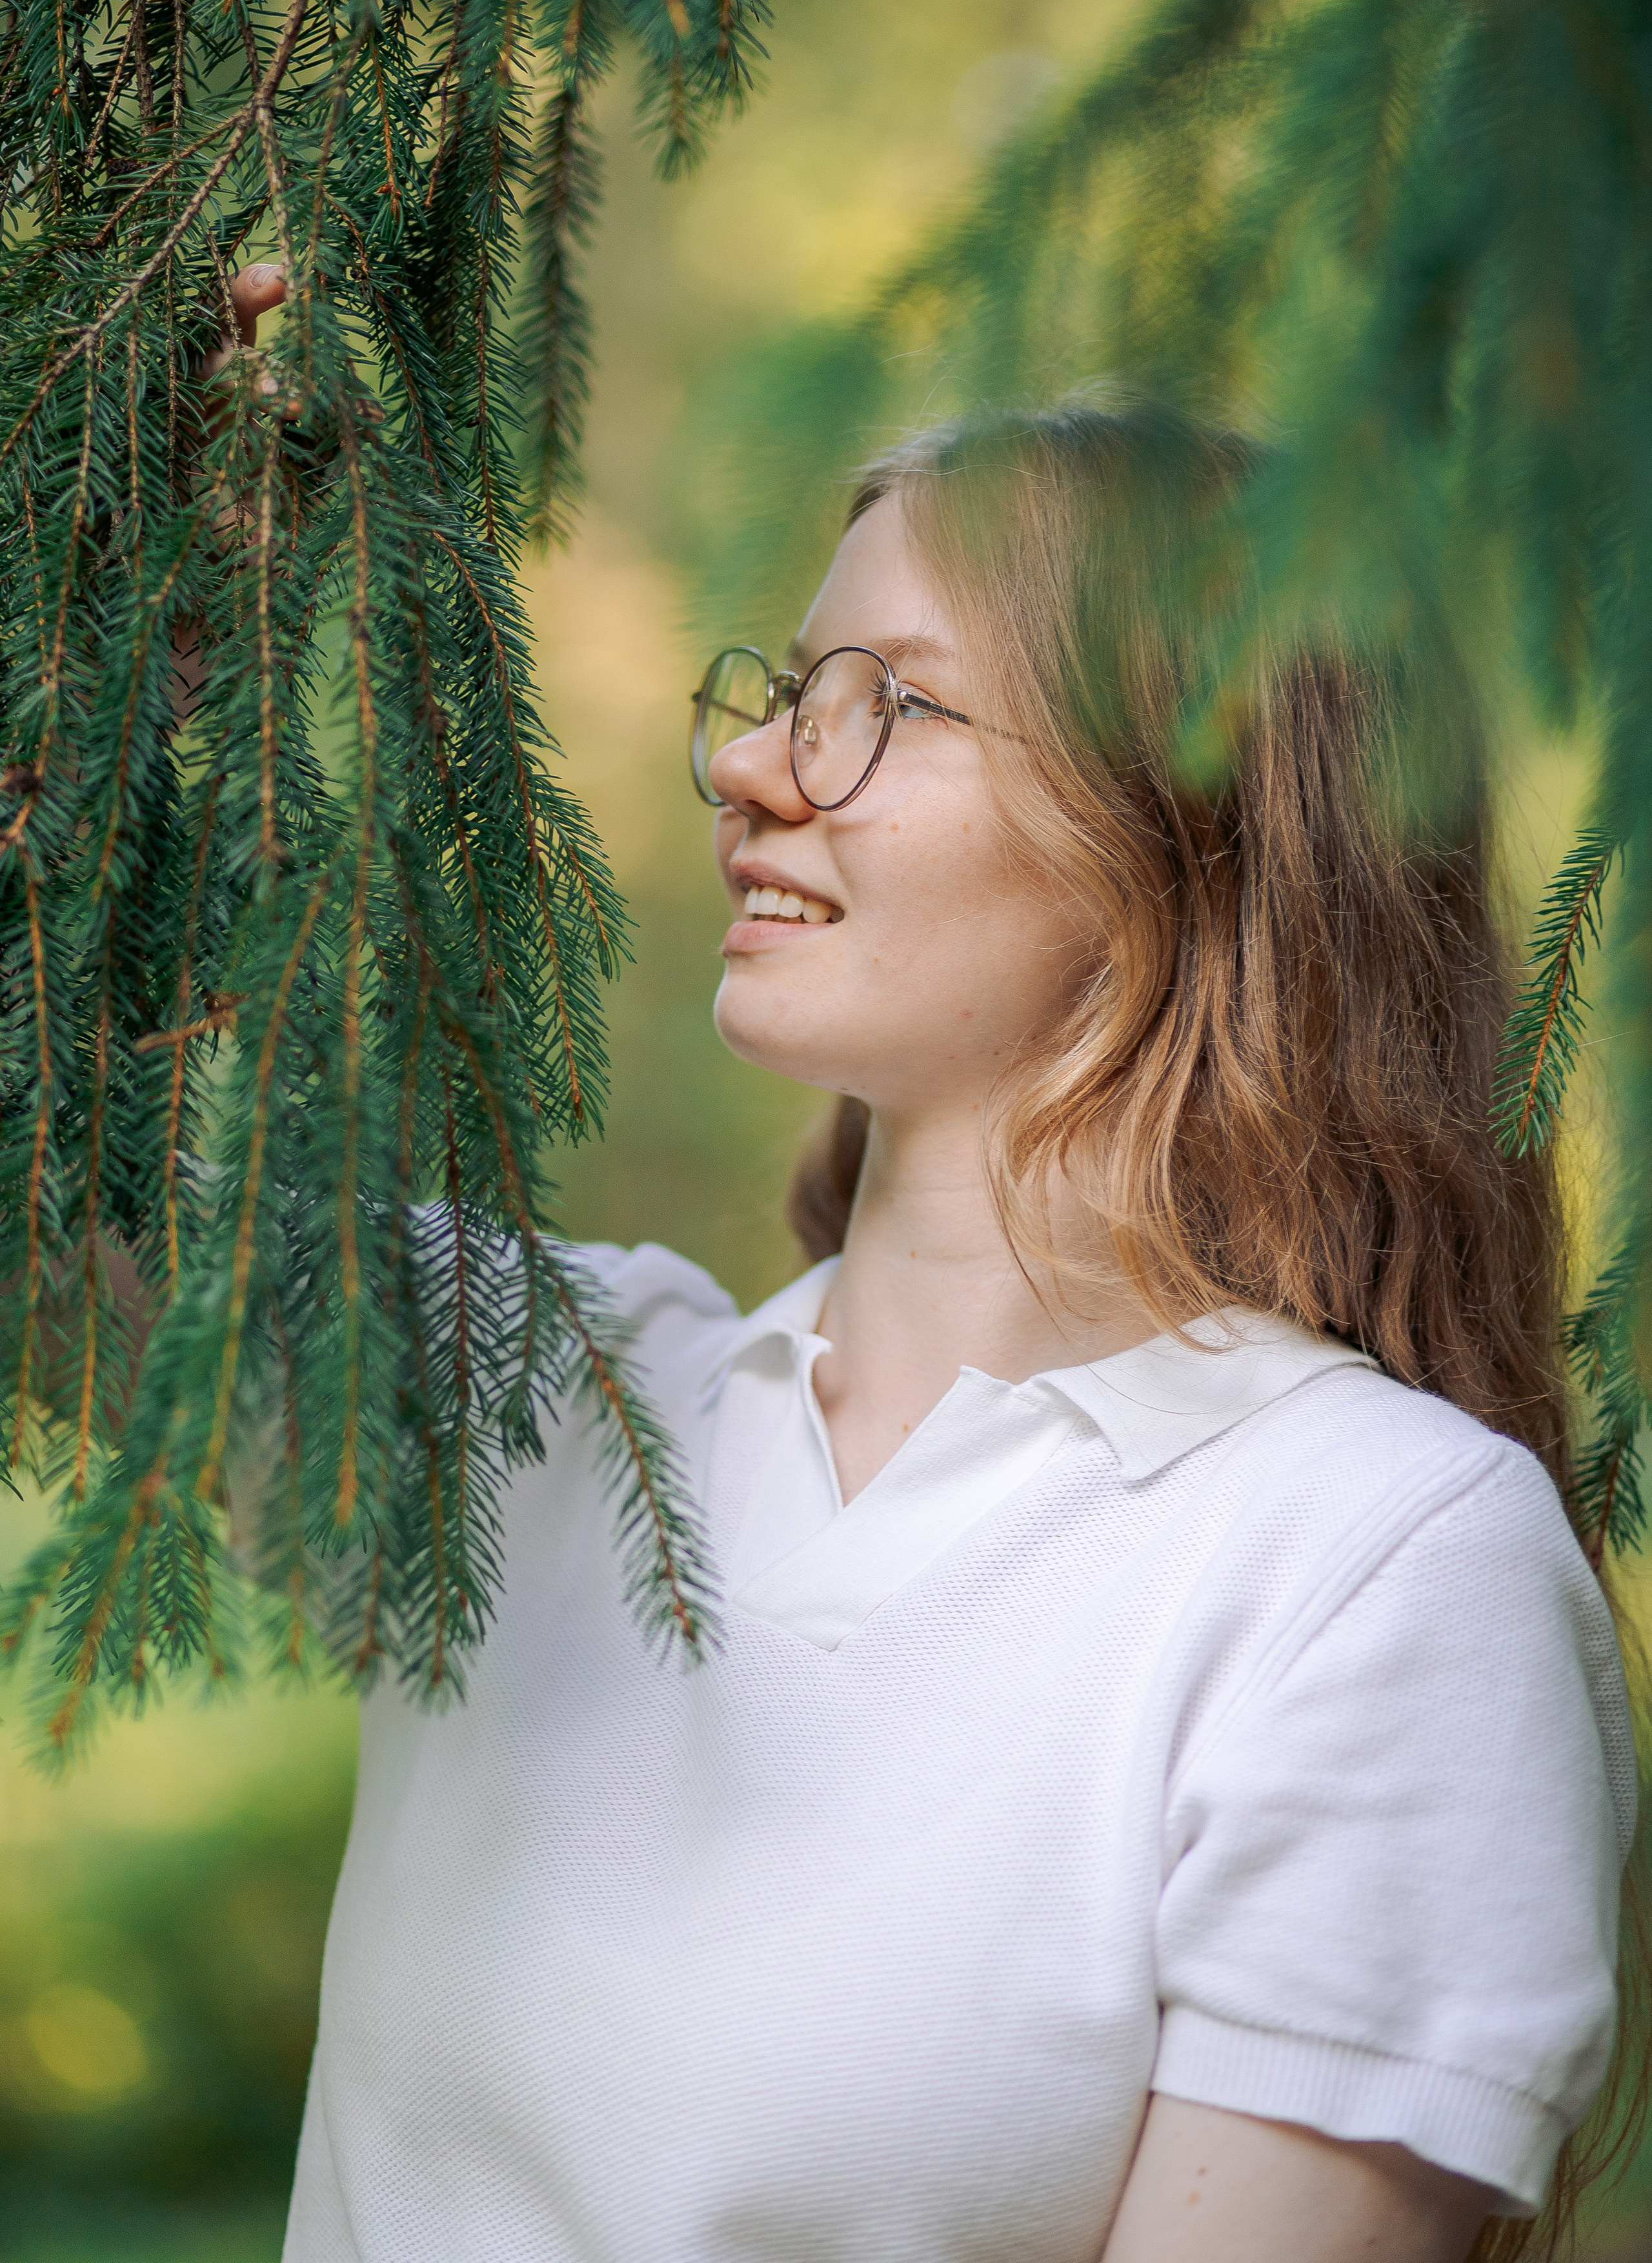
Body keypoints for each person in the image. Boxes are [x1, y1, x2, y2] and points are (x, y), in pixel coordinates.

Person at [224, 267, 1635, 2262]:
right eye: (786, 689)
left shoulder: (1376, 1566)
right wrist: (150, 542)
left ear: (1199, 827)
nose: (753, 771)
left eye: (888, 703)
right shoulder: (543, 1394)